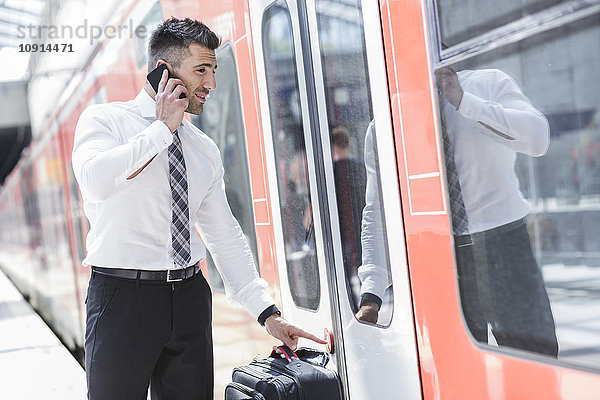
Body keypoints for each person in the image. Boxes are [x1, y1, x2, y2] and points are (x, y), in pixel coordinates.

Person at [72, 18, 325, 400]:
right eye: (201, 70)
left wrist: (267, 313)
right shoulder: (106, 121)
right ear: (164, 73)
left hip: (189, 297)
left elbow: (224, 235)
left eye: (213, 70)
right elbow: (95, 180)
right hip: (121, 297)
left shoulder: (203, 148)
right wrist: (161, 130)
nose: (211, 84)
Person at [435, 65, 558, 356]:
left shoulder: (487, 83)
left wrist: (466, 102)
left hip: (504, 244)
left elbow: (539, 139)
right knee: (458, 372)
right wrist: (373, 291)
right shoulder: (395, 115)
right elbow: (375, 210)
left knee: (535, 362)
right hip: (440, 257)